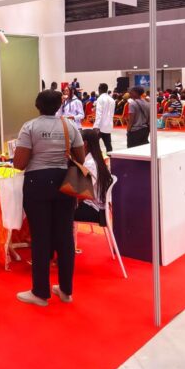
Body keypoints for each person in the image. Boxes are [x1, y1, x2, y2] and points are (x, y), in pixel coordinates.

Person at [13, 90, 85, 306]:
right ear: (59, 106)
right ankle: (65, 291)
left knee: (40, 236)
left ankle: (40, 293)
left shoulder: (29, 127)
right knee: (65, 237)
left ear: (37, 105)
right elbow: (81, 158)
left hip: (37, 183)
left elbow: (19, 164)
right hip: (64, 182)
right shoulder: (69, 126)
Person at [74, 129, 113, 225]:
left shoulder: (90, 164)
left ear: (84, 143)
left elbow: (82, 194)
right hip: (95, 207)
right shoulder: (95, 159)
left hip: (93, 210)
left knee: (59, 211)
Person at [93, 83, 115, 153]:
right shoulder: (112, 99)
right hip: (108, 124)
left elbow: (99, 113)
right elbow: (112, 113)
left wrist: (96, 126)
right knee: (108, 145)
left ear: (99, 89)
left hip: (100, 125)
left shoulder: (100, 98)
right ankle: (110, 157)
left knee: (94, 145)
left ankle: (98, 158)